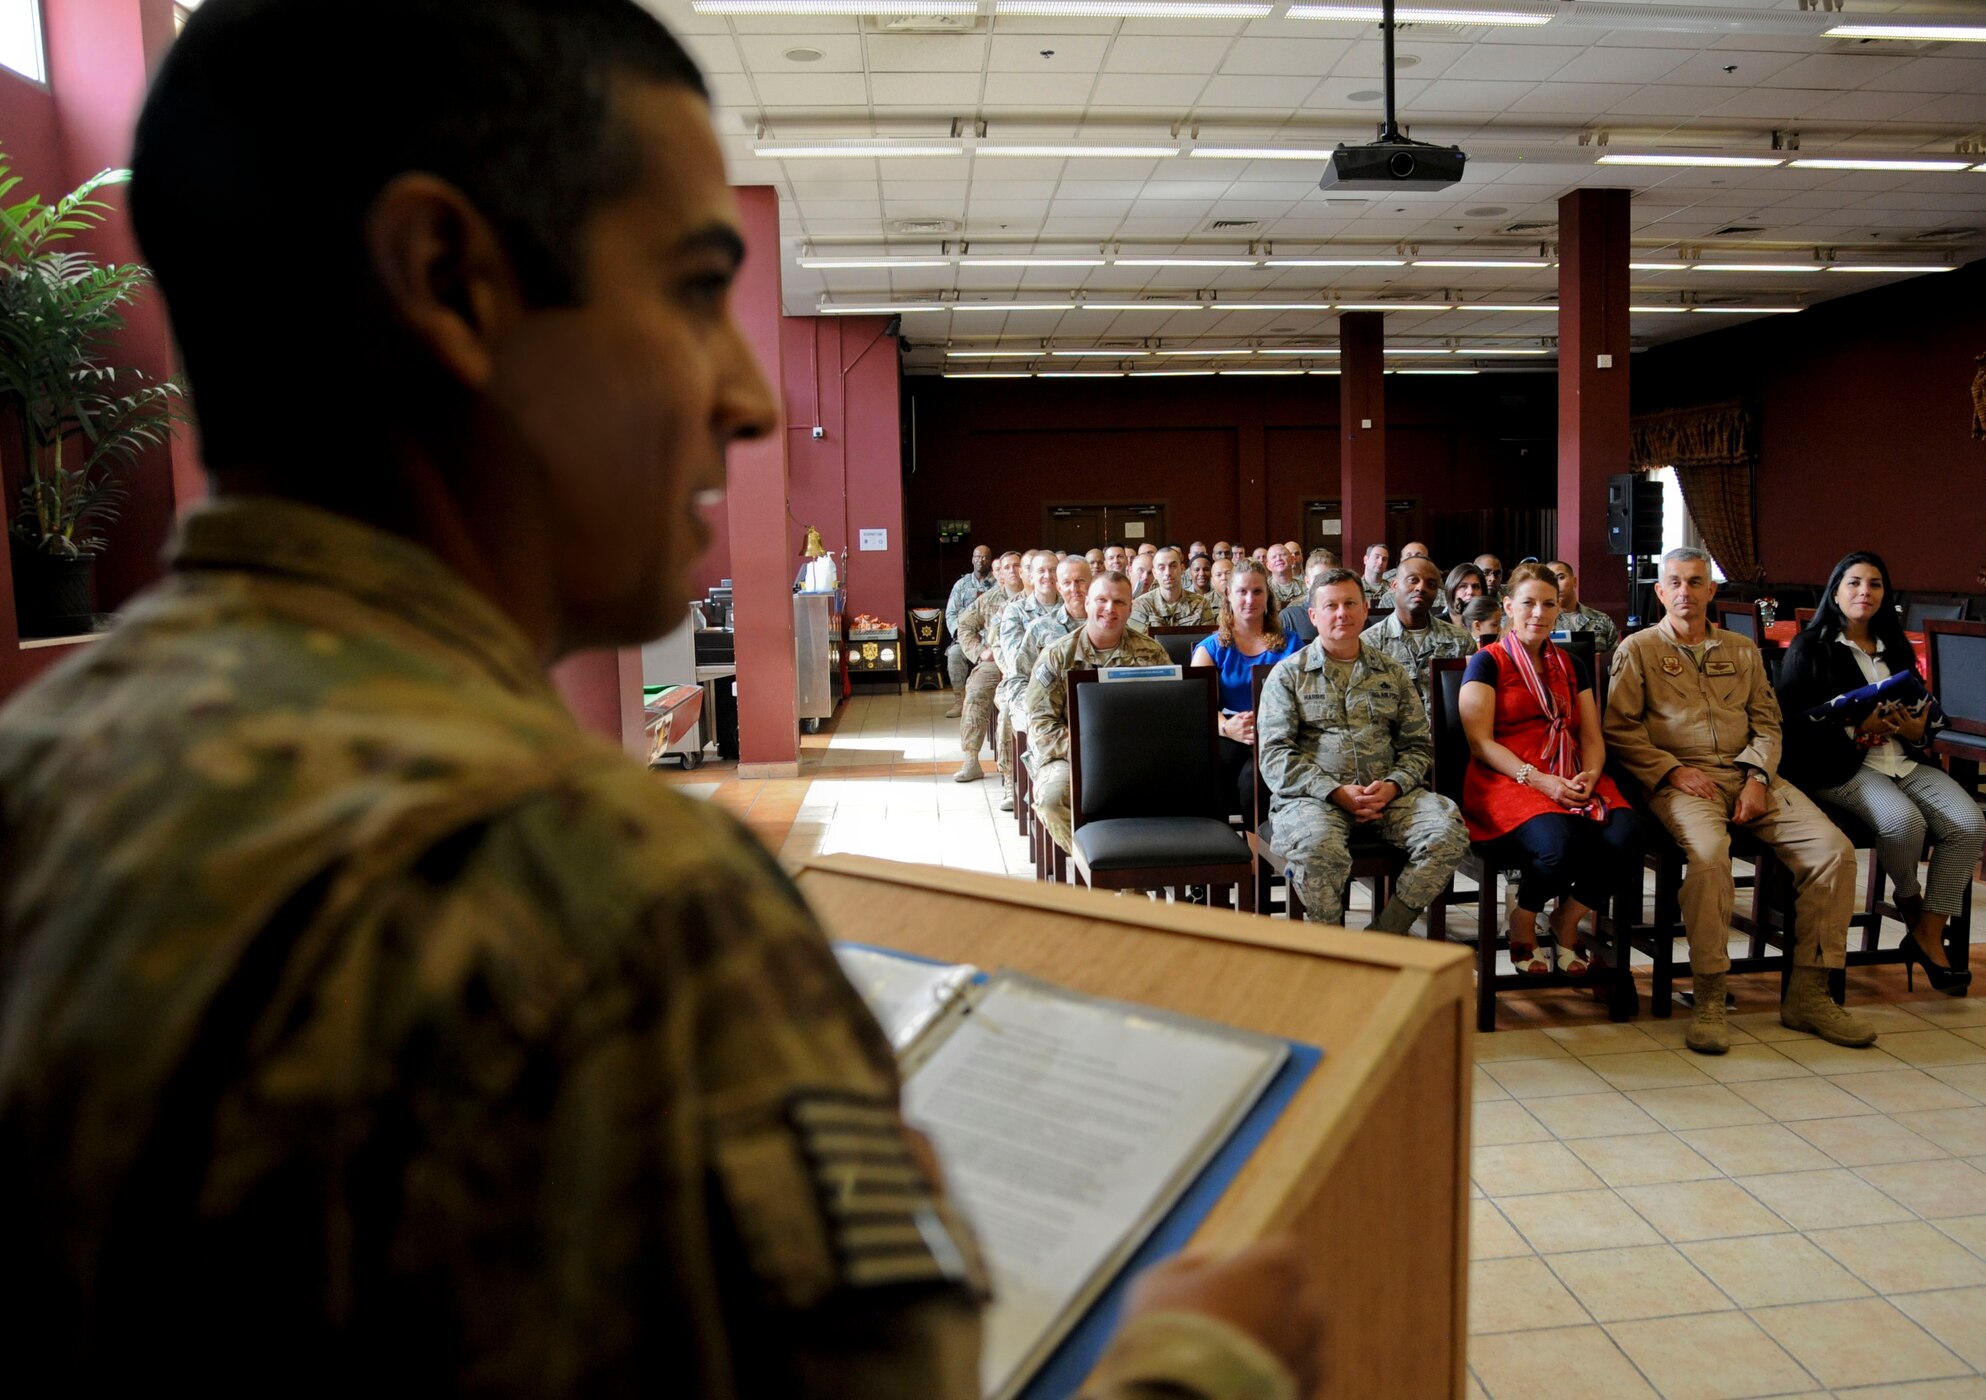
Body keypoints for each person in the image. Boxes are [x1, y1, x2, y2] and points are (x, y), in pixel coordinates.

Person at [0, 3, 1324, 1394]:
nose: (748, 397)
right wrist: (1202, 1363)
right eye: (695, 290)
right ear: (450, 281)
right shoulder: (609, 903)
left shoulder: (41, 773)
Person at [1604, 548, 1871, 1055]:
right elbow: (1620, 730)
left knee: (1833, 851)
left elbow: (1768, 723)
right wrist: (1672, 770)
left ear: (1712, 591)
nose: (1686, 591)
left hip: (1749, 774)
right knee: (1708, 858)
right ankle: (1708, 993)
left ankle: (1809, 994)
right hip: (1681, 781)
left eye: (1696, 582)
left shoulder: (1742, 650)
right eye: (1675, 583)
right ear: (1660, 592)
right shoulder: (1636, 650)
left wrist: (1757, 776)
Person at [1777, 551, 1977, 992]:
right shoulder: (1811, 647)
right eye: (1854, 583)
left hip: (1902, 758)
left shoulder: (1897, 645)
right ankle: (1908, 897)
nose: (1864, 592)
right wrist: (1853, 725)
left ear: (1886, 595)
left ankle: (1928, 930)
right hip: (1842, 766)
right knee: (1903, 822)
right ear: (1835, 590)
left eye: (1874, 584)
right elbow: (1789, 724)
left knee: (1968, 824)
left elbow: (1926, 712)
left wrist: (1919, 729)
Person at [1258, 572, 1470, 931]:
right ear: (1313, 616)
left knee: (1447, 832)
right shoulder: (1289, 675)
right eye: (1331, 606)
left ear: (1366, 608)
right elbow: (1275, 755)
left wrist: (1393, 785)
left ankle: (1386, 933)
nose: (1342, 613)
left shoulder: (1392, 673)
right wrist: (1335, 792)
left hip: (1388, 795)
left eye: (1350, 603)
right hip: (1312, 800)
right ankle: (1332, 943)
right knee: (1316, 848)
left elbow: (1418, 745)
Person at [1459, 566, 1645, 974]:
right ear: (1509, 605)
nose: (1538, 613)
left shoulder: (1571, 664)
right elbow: (1480, 742)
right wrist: (1540, 780)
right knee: (1560, 845)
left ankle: (1568, 916)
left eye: (1548, 603)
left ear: (1559, 608)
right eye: (1527, 603)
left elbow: (1592, 735)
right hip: (1510, 776)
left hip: (1573, 769)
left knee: (1629, 835)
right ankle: (1524, 915)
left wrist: (1591, 776)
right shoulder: (1488, 663)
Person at [1024, 572, 1172, 855]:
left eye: (1119, 602)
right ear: (1087, 603)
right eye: (1102, 600)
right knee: (1051, 800)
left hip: (1136, 756)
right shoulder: (1058, 655)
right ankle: (1102, 870)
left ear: (1130, 607)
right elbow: (1041, 722)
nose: (1109, 609)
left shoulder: (1151, 654)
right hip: (1071, 756)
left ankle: (1132, 875)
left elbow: (1168, 714)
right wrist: (1086, 751)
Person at [1193, 560, 1306, 818]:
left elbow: (1306, 697)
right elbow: (1198, 707)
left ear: (1268, 596)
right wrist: (1226, 727)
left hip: (1279, 731)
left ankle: (1260, 848)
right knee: (1218, 768)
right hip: (1230, 731)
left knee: (1252, 781)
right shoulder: (1209, 649)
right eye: (1242, 591)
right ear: (1229, 595)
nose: (1249, 599)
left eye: (1257, 591)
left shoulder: (1291, 644)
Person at [992, 550, 1068, 814]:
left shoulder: (1070, 605)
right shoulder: (1015, 610)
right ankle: (1012, 780)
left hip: (1063, 688)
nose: (1047, 576)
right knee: (1010, 714)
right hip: (1025, 683)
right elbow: (1016, 660)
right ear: (1031, 577)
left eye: (1052, 570)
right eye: (1041, 571)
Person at [1362, 557, 1477, 719]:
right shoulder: (1369, 643)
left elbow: (1473, 701)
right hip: (1392, 740)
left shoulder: (1461, 641)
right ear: (1394, 585)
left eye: (1430, 585)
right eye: (1413, 580)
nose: (1421, 588)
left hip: (1447, 738)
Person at [954, 549, 1025, 783]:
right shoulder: (989, 600)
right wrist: (979, 652)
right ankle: (971, 760)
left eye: (1017, 566)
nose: (1013, 571)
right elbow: (964, 626)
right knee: (975, 691)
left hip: (1025, 664)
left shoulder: (1033, 596)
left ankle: (1013, 770)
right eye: (1007, 567)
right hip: (995, 662)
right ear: (1000, 574)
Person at [943, 544, 996, 717]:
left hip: (991, 638)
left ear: (990, 560)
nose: (980, 560)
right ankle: (959, 701)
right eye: (977, 557)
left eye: (984, 557)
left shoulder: (997, 584)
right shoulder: (962, 584)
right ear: (972, 559)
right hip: (967, 638)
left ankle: (992, 702)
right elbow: (951, 613)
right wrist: (959, 635)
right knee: (955, 653)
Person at [1130, 546, 1216, 632]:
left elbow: (1207, 641)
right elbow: (1136, 641)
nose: (1167, 573)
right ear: (1154, 573)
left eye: (1173, 566)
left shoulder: (1200, 604)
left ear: (1182, 569)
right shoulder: (1142, 605)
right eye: (1161, 568)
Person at [1549, 559, 1621, 655]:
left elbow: (1616, 660)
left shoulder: (1601, 620)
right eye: (1550, 581)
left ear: (1574, 582)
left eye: (1561, 578)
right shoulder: (1544, 621)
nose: (1556, 585)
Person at [1266, 542, 1307, 610]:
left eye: (1282, 555)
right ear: (1268, 566)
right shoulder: (1264, 589)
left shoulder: (1306, 588)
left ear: (1292, 559)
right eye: (1274, 557)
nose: (1278, 559)